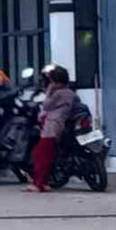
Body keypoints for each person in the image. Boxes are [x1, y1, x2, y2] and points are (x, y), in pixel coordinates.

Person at [29, 65, 75, 193]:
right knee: (45, 155)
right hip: (57, 125)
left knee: (41, 156)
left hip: (52, 127)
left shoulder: (58, 93)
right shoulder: (70, 93)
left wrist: (49, 91)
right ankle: (43, 183)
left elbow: (46, 105)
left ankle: (38, 184)